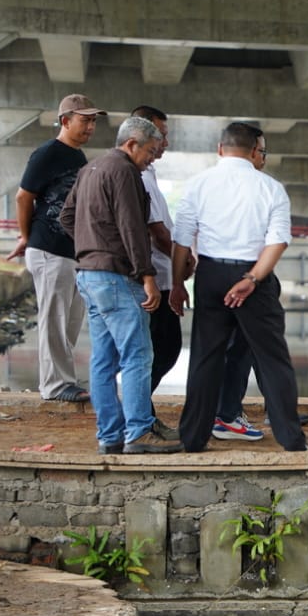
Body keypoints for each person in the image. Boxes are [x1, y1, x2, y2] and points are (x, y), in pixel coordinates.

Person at [171, 121, 306, 453]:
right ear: (253, 151)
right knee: (273, 358)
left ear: (220, 149)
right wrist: (251, 279)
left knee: (206, 357)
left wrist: (177, 284)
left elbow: (182, 241)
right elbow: (277, 242)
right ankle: (291, 439)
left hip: (211, 275)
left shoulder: (198, 185)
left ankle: (193, 438)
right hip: (254, 276)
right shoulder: (271, 188)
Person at [59, 116, 180, 455]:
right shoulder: (125, 172)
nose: (153, 158)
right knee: (138, 355)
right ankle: (139, 431)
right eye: (151, 151)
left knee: (103, 360)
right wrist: (147, 276)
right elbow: (131, 228)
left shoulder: (91, 169)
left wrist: (91, 245)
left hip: (89, 274)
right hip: (116, 276)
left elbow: (66, 217)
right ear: (131, 144)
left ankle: (109, 436)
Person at [11, 94, 104, 404]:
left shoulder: (77, 156)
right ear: (65, 121)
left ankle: (64, 380)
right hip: (49, 247)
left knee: (70, 321)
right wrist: (26, 237)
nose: (90, 126)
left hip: (71, 251)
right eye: (84, 119)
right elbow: (23, 197)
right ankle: (54, 385)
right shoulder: (47, 153)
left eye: (93, 120)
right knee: (54, 319)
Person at [131, 104, 190, 440]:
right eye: (160, 135)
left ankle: (142, 411)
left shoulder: (148, 173)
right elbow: (158, 231)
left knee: (163, 348)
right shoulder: (137, 174)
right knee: (160, 348)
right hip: (153, 276)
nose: (164, 142)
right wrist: (182, 262)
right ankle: (139, 413)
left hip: (164, 273)